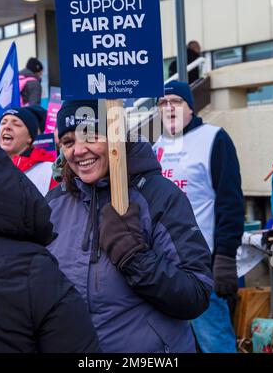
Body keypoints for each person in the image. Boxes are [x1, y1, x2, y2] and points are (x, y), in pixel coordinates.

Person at [46, 99, 213, 354]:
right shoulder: (55, 203)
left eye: (89, 136)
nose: (78, 151)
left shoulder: (159, 196)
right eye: (68, 143)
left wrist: (135, 258)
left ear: (115, 138)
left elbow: (195, 295)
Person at [0, 116, 100, 353]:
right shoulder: (33, 267)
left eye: (16, 123)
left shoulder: (44, 173)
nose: (79, 150)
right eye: (67, 142)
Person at [153, 80, 244, 353]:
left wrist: (226, 257)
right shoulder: (156, 145)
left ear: (190, 108)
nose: (169, 108)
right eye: (162, 104)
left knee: (215, 342)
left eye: (176, 102)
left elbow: (230, 202)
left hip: (203, 263)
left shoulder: (213, 138)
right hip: (164, 264)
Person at [0, 107, 56, 196]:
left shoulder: (49, 171)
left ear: (30, 137)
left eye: (16, 124)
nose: (7, 127)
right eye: (3, 123)